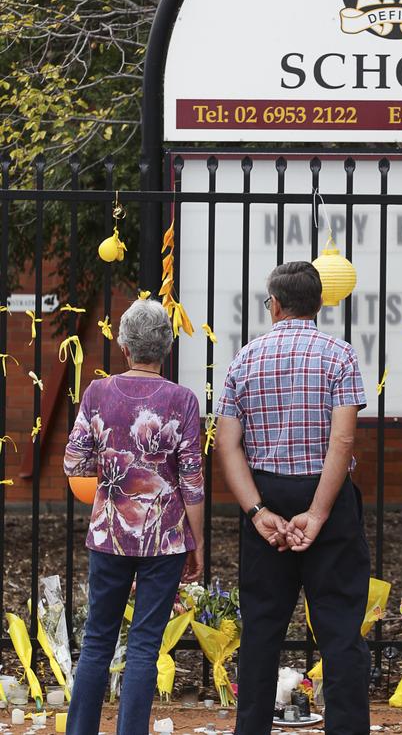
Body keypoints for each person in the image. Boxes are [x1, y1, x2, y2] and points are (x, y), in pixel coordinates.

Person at [215, 261, 370, 735]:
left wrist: (257, 510)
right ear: (319, 304)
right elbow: (341, 443)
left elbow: (227, 443)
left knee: (262, 626)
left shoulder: (245, 358)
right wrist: (320, 512)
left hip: (265, 490)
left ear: (275, 304)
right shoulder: (339, 355)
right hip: (327, 492)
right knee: (340, 626)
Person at [63, 298, 204, 735]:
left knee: (96, 642)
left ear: (124, 347)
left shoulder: (97, 393)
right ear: (165, 347)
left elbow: (73, 462)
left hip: (108, 534)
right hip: (163, 539)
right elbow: (193, 483)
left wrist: (108, 474)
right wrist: (194, 543)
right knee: (144, 647)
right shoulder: (182, 400)